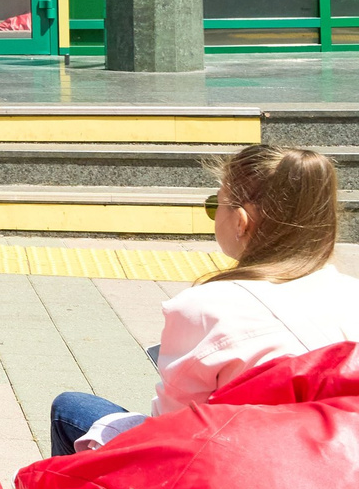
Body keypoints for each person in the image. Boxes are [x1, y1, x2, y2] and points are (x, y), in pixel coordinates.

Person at [50, 146, 359, 455]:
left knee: (70, 409)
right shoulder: (351, 293)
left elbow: (171, 435)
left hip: (237, 479)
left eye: (216, 205)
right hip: (337, 473)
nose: (215, 214)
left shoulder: (206, 307)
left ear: (240, 221)